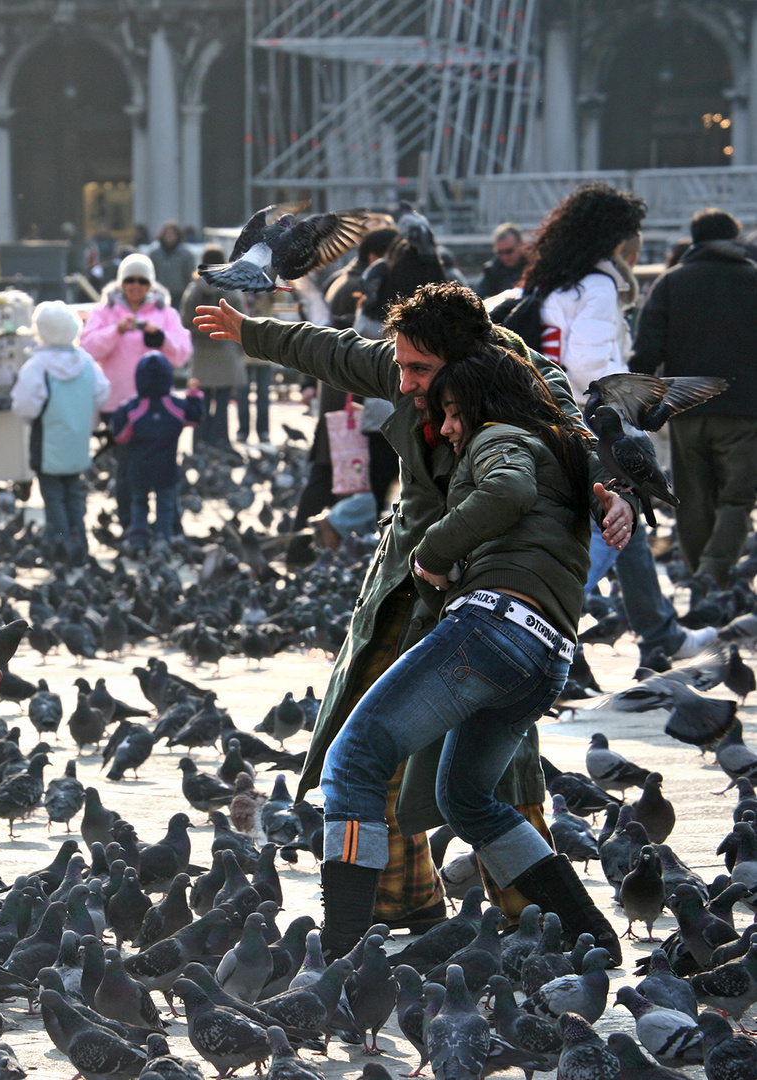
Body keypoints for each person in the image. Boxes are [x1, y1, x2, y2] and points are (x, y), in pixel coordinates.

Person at [194, 281, 636, 954]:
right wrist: (251, 331)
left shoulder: (518, 398)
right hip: (464, 610)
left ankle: (358, 948)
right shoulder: (420, 372)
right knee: (458, 787)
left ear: (461, 368)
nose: (404, 383)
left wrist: (613, 492)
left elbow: (563, 454)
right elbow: (335, 351)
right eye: (400, 366)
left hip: (479, 604)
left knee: (361, 759)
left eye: (419, 373)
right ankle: (564, 929)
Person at [314, 344, 620, 961]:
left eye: (454, 412)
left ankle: (341, 953)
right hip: (548, 657)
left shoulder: (498, 436)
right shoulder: (561, 446)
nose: (446, 425)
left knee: (351, 762)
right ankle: (590, 934)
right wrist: (620, 500)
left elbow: (506, 490)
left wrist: (430, 550)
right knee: (467, 799)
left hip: (493, 630)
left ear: (483, 406)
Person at [523, 182, 714, 672]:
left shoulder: (553, 282)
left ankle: (660, 631)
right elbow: (588, 364)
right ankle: (542, 623)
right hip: (596, 423)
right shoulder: (601, 284)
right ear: (616, 238)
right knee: (612, 523)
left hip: (550, 414)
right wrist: (636, 398)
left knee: (629, 523)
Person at [629, 208, 757, 587]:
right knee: (737, 496)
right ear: (734, 237)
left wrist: (636, 401)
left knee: (692, 499)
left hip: (685, 408)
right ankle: (714, 572)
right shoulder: (754, 280)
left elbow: (646, 350)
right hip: (745, 410)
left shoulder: (671, 283)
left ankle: (704, 581)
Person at [80, 253, 192, 536]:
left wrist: (161, 340)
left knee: (165, 467)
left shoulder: (165, 313)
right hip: (120, 405)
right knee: (127, 469)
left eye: (142, 280)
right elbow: (88, 349)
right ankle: (131, 525)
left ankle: (169, 527)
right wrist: (115, 331)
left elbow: (182, 353)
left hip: (158, 406)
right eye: (130, 279)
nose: (135, 285)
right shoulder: (104, 312)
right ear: (121, 282)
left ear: (150, 284)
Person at [12, 302, 110, 565]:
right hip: (77, 441)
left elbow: (24, 405)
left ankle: (59, 546)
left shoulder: (38, 366)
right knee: (74, 494)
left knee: (53, 498)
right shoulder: (86, 362)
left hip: (47, 443)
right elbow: (102, 393)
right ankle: (80, 545)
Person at [109, 352, 203, 554]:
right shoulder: (175, 406)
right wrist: (194, 395)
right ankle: (163, 539)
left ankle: (138, 539)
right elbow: (195, 418)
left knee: (139, 503)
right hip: (166, 468)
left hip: (138, 468)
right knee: (165, 505)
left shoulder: (133, 408)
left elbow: (120, 435)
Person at [180, 248, 246, 456]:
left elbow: (184, 320)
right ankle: (221, 441)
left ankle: (199, 442)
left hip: (201, 352)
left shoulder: (193, 290)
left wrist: (200, 331)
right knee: (224, 401)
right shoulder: (231, 289)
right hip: (225, 349)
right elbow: (241, 321)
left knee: (202, 399)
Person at [148, 221, 196, 308]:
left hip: (179, 295)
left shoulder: (186, 254)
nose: (169, 236)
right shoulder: (155, 254)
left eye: (172, 233)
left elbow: (190, 275)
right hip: (158, 295)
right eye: (167, 233)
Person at [477, 223, 527, 298]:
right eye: (500, 253)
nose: (505, 257)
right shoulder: (492, 271)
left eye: (509, 251)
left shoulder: (535, 267)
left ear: (522, 244)